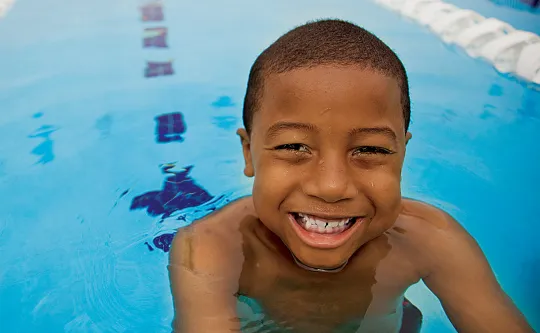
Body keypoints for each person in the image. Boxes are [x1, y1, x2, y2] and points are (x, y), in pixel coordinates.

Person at [168, 19, 533, 333]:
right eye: (294, 147)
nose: (331, 187)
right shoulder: (210, 248)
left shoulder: (428, 240)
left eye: (371, 150)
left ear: (402, 154)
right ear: (248, 153)